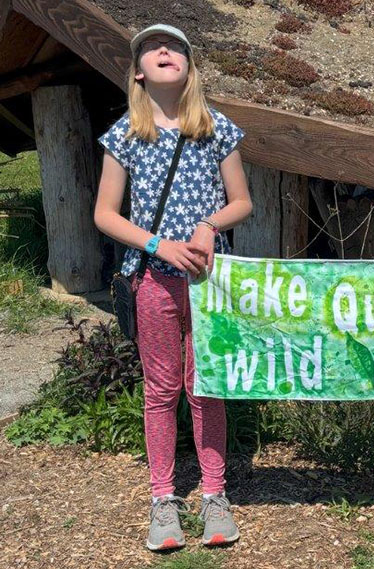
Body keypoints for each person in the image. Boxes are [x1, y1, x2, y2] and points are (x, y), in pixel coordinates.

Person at [94, 24, 252, 551]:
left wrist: (210, 224)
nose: (166, 51)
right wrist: (158, 244)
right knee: (161, 391)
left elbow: (242, 202)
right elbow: (104, 215)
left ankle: (214, 495)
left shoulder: (217, 128)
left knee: (206, 386)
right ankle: (163, 499)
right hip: (154, 280)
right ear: (139, 71)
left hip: (210, 283)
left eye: (177, 46)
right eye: (152, 48)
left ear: (190, 66)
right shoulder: (125, 135)